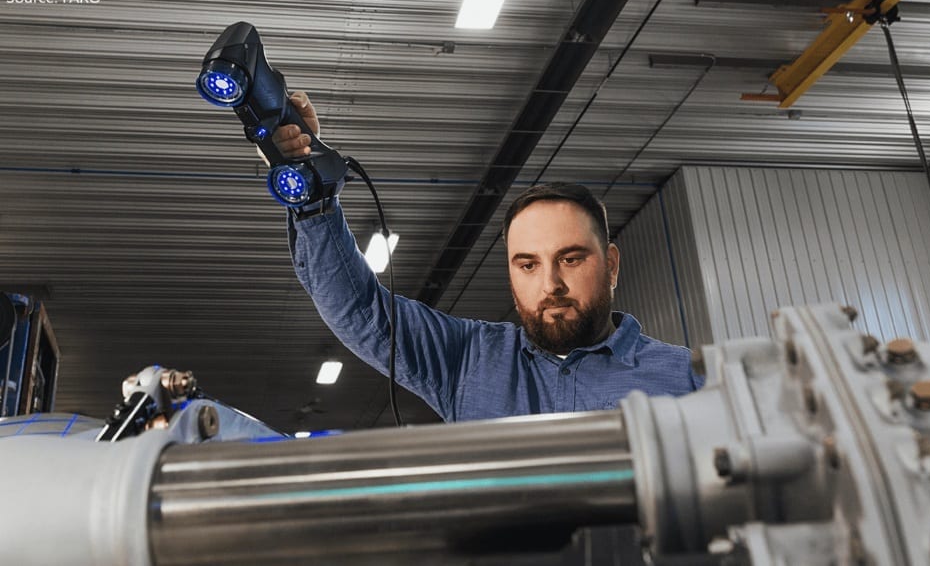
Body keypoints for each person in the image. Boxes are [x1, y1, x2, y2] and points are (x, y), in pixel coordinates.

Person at [268, 92, 703, 422]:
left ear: (610, 264)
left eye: (570, 259)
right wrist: (311, 192)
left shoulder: (690, 379)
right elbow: (359, 311)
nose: (550, 284)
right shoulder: (467, 360)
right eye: (528, 265)